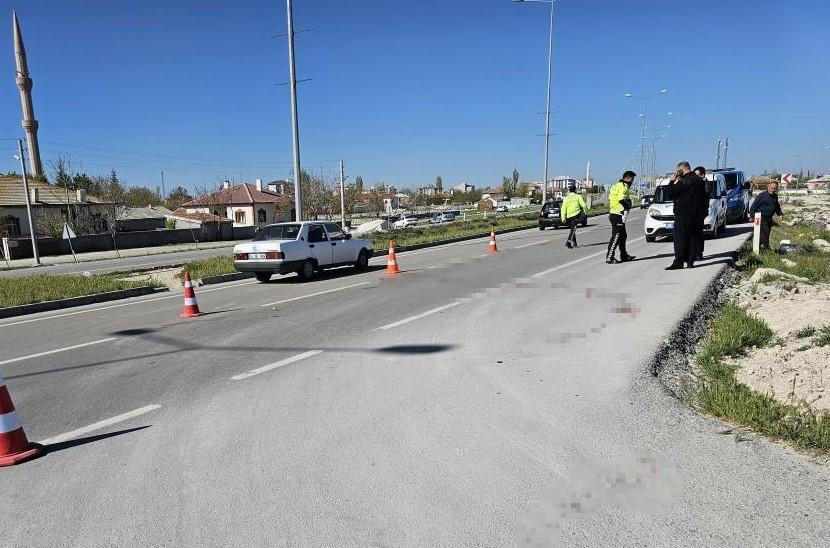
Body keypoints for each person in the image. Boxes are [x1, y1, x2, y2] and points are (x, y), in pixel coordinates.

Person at [665, 161, 708, 270]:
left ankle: (678, 262)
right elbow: (704, 197)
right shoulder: (700, 180)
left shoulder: (683, 181)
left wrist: (671, 182)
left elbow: (670, 194)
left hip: (683, 214)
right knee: (693, 238)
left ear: (681, 169)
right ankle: (690, 262)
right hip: (697, 215)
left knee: (680, 238)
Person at [606, 171, 636, 264]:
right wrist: (628, 205)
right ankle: (610, 257)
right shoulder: (622, 186)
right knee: (616, 236)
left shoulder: (617, 185)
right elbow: (621, 199)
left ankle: (624, 255)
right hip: (617, 214)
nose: (632, 182)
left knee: (623, 235)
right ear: (627, 178)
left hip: (616, 213)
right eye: (632, 179)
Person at [749, 181, 784, 250]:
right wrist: (752, 216)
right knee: (765, 234)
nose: (773, 190)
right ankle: (767, 250)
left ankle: (755, 249)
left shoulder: (775, 196)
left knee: (764, 235)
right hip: (761, 218)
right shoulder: (762, 196)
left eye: (775, 188)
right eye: (772, 188)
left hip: (769, 219)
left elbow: (777, 206)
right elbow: (753, 207)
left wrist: (780, 214)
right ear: (768, 187)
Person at [560, 183, 587, 248]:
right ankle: (568, 242)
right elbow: (584, 205)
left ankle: (574, 243)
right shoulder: (578, 196)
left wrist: (563, 218)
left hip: (569, 217)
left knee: (572, 229)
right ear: (575, 190)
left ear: (569, 190)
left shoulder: (566, 199)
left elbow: (563, 209)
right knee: (573, 229)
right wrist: (585, 211)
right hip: (576, 215)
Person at [693, 166, 711, 261]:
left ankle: (699, 253)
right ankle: (694, 252)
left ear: (702, 175)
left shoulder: (706, 184)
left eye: (697, 175)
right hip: (694, 211)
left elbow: (706, 193)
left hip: (701, 211)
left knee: (698, 233)